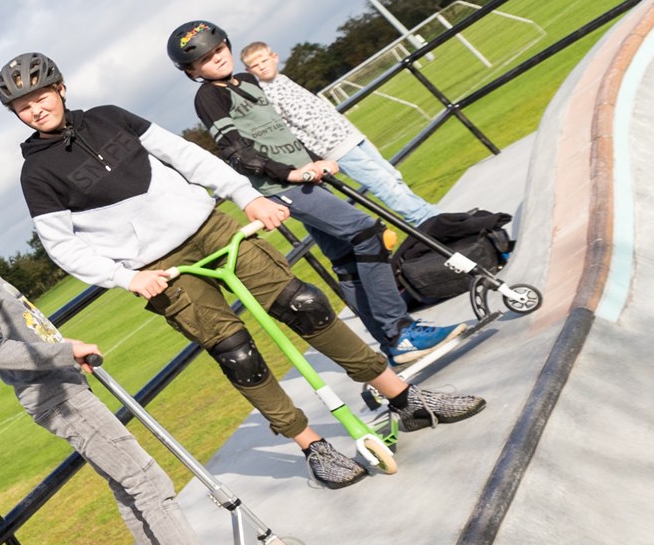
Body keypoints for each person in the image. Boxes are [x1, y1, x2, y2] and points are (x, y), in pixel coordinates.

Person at [0, 52, 484, 490]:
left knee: (305, 304)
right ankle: (312, 446)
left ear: (60, 88)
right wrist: (128, 278)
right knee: (236, 353)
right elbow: (61, 246)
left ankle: (404, 398)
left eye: (41, 95)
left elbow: (186, 156)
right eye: (23, 107)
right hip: (159, 268)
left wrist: (247, 196)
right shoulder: (36, 173)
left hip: (209, 227)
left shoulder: (109, 118)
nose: (36, 109)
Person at [0, 191, 293, 545]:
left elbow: (28, 331)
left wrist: (63, 353)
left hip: (66, 389)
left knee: (130, 490)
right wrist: (65, 352)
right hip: (60, 400)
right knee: (151, 486)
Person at [169, 22, 462, 362]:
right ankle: (400, 330)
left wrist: (314, 161)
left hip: (305, 178)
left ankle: (391, 343)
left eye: (218, 49)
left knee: (347, 261)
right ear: (192, 71)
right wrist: (290, 173)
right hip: (281, 186)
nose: (216, 59)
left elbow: (281, 133)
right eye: (205, 59)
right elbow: (237, 152)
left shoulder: (248, 81)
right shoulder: (209, 96)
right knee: (368, 233)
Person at [238, 41, 440, 226]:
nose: (262, 66)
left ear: (274, 57)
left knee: (391, 175)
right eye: (255, 65)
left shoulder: (284, 80)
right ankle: (425, 219)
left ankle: (429, 215)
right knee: (381, 181)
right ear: (249, 70)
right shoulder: (266, 95)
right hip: (331, 147)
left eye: (264, 60)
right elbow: (286, 130)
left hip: (348, 134)